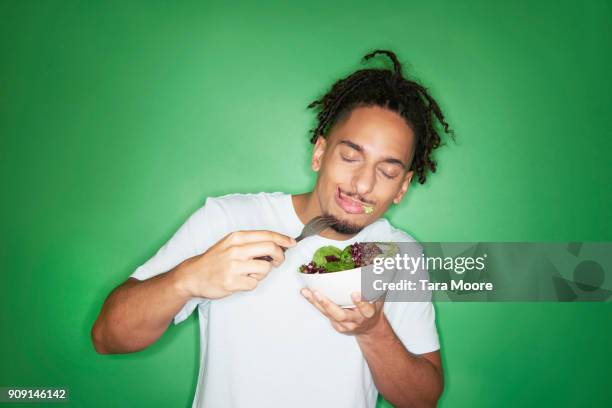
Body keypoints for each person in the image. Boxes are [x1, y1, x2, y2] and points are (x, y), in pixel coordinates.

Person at [91, 49, 454, 408]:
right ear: (319, 154)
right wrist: (187, 278)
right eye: (350, 157)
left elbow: (421, 400)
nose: (362, 184)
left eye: (387, 171)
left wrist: (373, 332)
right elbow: (107, 337)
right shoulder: (228, 221)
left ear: (402, 187)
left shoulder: (399, 255)